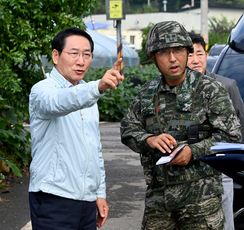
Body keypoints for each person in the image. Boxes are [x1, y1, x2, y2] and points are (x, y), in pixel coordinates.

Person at [120, 21, 242, 229]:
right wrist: (149, 139)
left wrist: (192, 151)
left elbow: (231, 136)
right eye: (164, 52)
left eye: (178, 50)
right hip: (158, 199)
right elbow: (127, 130)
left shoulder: (210, 89)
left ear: (187, 51)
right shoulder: (147, 93)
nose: (173, 58)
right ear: (153, 58)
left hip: (201, 200)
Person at [28, 27, 124, 230]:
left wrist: (99, 193)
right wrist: (97, 87)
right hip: (53, 199)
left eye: (87, 55)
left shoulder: (88, 93)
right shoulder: (42, 90)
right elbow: (60, 102)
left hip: (86, 203)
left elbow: (94, 149)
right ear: (55, 55)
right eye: (74, 53)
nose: (81, 61)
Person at [187, 31, 244, 230]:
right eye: (190, 54)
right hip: (189, 170)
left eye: (200, 53)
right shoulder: (176, 90)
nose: (195, 60)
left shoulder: (227, 85)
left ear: (206, 54)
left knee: (225, 222)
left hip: (221, 169)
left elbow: (241, 126)